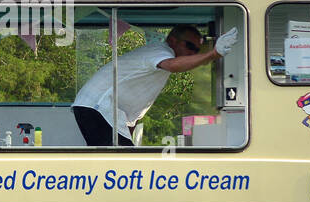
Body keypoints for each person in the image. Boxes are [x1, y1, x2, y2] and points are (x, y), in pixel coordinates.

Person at [72, 25, 240, 147]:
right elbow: (173, 65)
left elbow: (133, 112)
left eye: (196, 50)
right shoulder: (160, 51)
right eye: (190, 46)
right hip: (98, 106)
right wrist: (213, 54)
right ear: (173, 41)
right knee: (118, 164)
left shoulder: (160, 56)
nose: (192, 53)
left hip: (100, 108)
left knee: (118, 160)